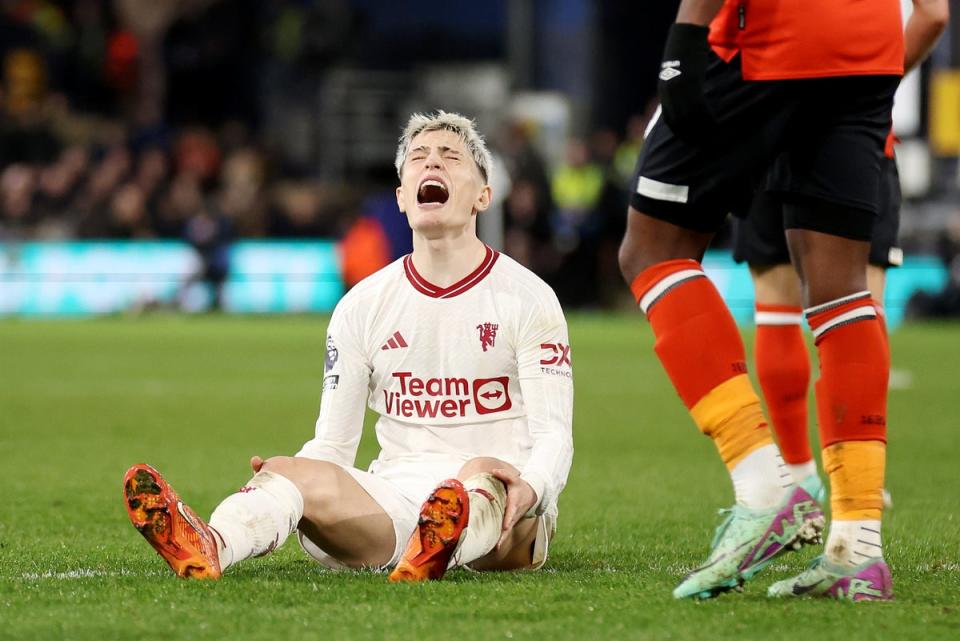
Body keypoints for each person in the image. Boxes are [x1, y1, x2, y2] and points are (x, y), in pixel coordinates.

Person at [123, 111, 574, 581]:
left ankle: (444, 539)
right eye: (417, 158)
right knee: (287, 470)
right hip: (394, 505)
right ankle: (211, 543)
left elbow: (553, 436)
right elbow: (334, 445)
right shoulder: (362, 305)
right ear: (401, 197)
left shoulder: (528, 298)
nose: (431, 164)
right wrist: (286, 479)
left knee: (483, 472)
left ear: (484, 194)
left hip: (509, 517)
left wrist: (534, 488)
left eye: (450, 156)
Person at [620, 0, 905, 600]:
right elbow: (931, 11)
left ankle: (765, 486)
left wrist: (685, 34)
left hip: (774, 34)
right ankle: (858, 548)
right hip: (871, 45)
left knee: (651, 250)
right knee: (840, 291)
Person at [732, 0, 949, 501]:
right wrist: (874, 84)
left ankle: (796, 473)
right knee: (858, 310)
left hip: (766, 120)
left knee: (776, 310)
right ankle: (858, 481)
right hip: (860, 131)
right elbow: (934, 15)